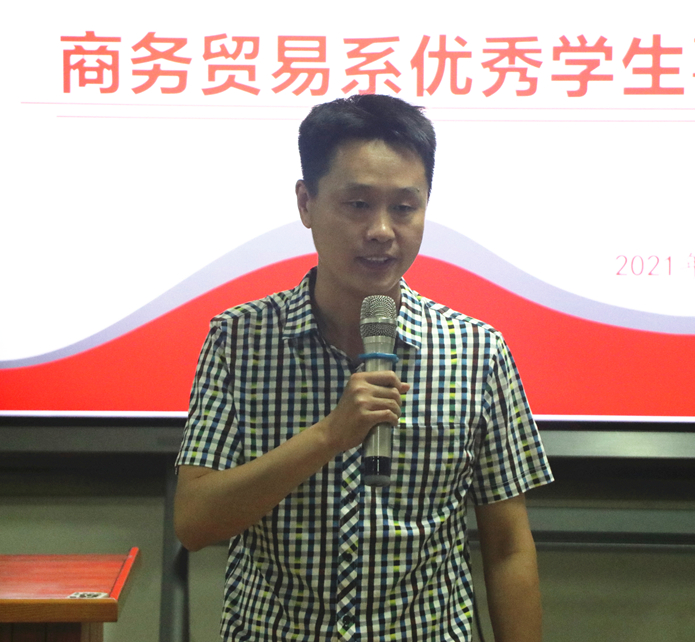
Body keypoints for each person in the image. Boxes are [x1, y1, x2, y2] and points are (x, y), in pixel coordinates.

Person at [174, 94, 553, 641]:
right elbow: (194, 522)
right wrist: (329, 435)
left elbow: (508, 545)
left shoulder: (476, 351)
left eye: (404, 207)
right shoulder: (239, 340)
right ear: (306, 203)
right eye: (357, 204)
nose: (381, 230)